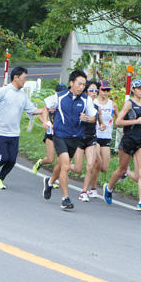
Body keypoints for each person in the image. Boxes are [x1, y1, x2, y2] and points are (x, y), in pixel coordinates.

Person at [41, 70, 97, 209]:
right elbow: (46, 107)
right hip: (59, 135)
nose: (81, 87)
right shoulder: (60, 96)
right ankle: (65, 198)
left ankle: (49, 182)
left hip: (75, 138)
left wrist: (87, 118)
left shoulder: (86, 100)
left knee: (60, 164)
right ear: (71, 83)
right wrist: (45, 121)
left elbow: (93, 117)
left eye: (84, 84)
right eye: (79, 84)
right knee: (65, 165)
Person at [0, 66, 43, 189]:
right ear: (16, 78)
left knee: (11, 161)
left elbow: (32, 110)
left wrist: (46, 109)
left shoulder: (23, 95)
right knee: (2, 157)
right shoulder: (4, 90)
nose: (25, 81)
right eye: (23, 78)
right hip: (0, 130)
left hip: (14, 133)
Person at [102, 79, 141, 211]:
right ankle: (109, 187)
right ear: (133, 90)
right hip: (128, 140)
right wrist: (136, 121)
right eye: (139, 88)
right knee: (122, 169)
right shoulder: (129, 104)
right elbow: (118, 121)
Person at [32, 84, 68, 186]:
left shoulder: (65, 103)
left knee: (59, 160)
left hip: (62, 135)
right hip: (50, 134)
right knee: (50, 159)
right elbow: (41, 115)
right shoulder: (52, 103)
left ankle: (52, 180)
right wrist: (46, 122)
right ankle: (40, 163)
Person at [88, 80, 118, 197]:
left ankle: (93, 180)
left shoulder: (113, 104)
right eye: (103, 90)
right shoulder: (93, 102)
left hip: (106, 136)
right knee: (98, 162)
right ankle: (93, 188)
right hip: (94, 135)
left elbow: (119, 120)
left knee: (104, 167)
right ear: (98, 90)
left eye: (108, 90)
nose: (105, 92)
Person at [72, 80, 100, 202]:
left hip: (91, 138)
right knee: (78, 169)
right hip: (79, 138)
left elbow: (95, 120)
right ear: (85, 92)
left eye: (96, 91)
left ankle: (84, 191)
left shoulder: (96, 107)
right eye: (91, 90)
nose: (94, 93)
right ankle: (63, 166)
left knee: (90, 166)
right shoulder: (79, 103)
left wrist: (88, 119)